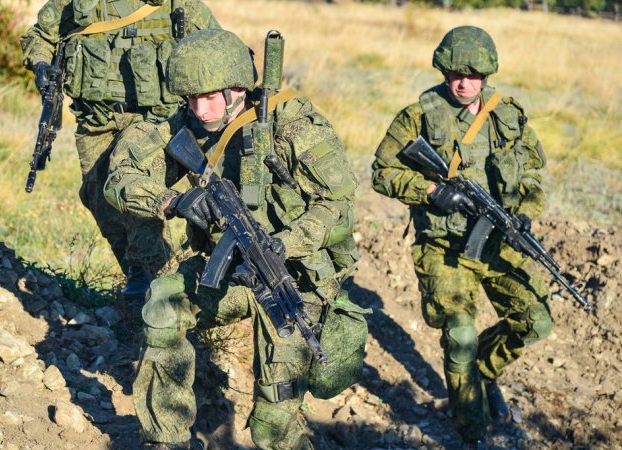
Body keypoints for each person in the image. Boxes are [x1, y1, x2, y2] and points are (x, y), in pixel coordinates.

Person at [104, 29, 367, 449]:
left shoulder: (292, 123)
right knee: (163, 305)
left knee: (272, 428)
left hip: (290, 279)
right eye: (191, 98)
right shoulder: (184, 123)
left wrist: (286, 243)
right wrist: (172, 200)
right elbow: (120, 176)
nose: (200, 109)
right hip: (226, 269)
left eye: (209, 97)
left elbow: (336, 203)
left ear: (238, 89)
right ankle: (166, 437)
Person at [371, 26, 554, 449]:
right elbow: (382, 172)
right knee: (460, 336)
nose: (464, 83)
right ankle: (472, 430)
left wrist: (525, 215)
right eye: (456, 73)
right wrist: (431, 191)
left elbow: (532, 175)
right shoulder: (418, 116)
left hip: (497, 241)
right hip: (444, 247)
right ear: (444, 70)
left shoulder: (508, 116)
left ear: (487, 75)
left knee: (537, 320)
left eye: (473, 76)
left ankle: (482, 374)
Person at [20, 0, 221, 303]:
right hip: (96, 121)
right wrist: (41, 64)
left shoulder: (176, 4)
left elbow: (217, 47)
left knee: (131, 185)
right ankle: (146, 273)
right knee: (97, 196)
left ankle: (157, 285)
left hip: (154, 121)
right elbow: (40, 36)